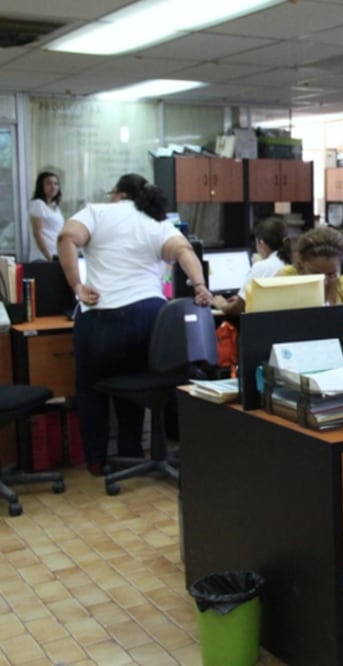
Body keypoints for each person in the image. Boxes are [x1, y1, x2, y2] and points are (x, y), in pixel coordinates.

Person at [56, 173, 212, 477]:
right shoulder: (156, 222)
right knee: (136, 386)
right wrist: (200, 286)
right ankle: (131, 453)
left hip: (101, 317)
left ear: (119, 194)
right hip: (151, 318)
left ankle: (97, 461)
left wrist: (77, 285)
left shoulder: (97, 212)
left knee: (91, 390)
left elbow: (66, 238)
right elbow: (184, 251)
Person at [213, 217, 293, 316]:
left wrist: (222, 304)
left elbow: (237, 308)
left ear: (262, 244)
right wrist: (241, 298)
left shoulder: (261, 267)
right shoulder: (293, 263)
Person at [276, 226, 343, 305]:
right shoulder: (285, 279)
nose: (324, 282)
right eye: (316, 274)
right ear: (301, 261)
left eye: (331, 274)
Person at [28, 171, 64, 262]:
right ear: (41, 186)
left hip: (56, 254)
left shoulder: (55, 206)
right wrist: (48, 257)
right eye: (49, 183)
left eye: (56, 184)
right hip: (42, 258)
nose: (53, 187)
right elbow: (37, 233)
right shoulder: (38, 204)